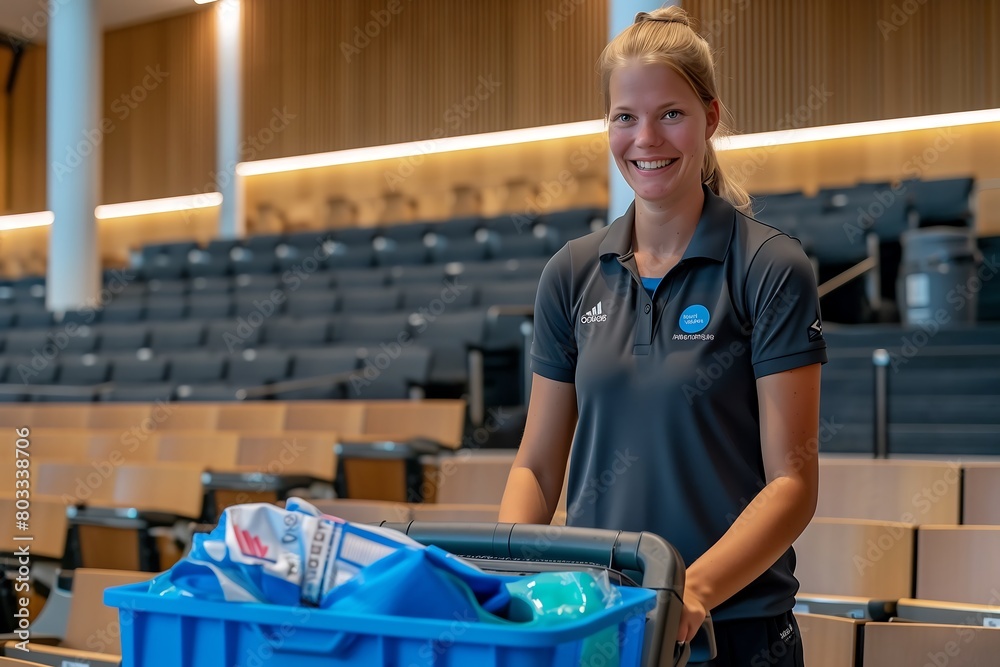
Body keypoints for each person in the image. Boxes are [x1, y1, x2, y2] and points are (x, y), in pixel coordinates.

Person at [497, 6, 826, 666]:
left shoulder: (769, 267)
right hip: (603, 629)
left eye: (670, 113)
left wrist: (688, 592)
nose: (645, 137)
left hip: (731, 633)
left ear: (711, 117)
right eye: (625, 116)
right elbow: (535, 464)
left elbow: (792, 482)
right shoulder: (571, 272)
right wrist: (507, 572)